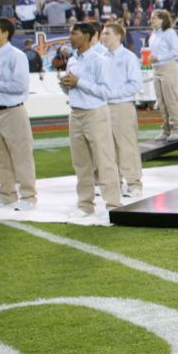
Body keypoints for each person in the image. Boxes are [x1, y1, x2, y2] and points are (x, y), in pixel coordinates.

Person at [60, 22, 121, 218]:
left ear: (87, 36)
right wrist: (66, 85)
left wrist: (79, 82)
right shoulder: (72, 60)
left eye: (74, 33)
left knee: (104, 160)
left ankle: (113, 203)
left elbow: (106, 91)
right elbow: (73, 88)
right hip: (75, 113)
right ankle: (85, 204)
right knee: (81, 163)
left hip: (95, 113)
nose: (70, 37)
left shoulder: (99, 59)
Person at [0, 18, 37, 210]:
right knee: (0, 156)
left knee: (22, 156)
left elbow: (21, 86)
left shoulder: (16, 56)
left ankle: (29, 197)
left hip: (14, 111)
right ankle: (6, 195)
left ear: (5, 33)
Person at [99, 21, 144, 198]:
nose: (103, 36)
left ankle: (134, 183)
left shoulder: (128, 57)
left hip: (122, 106)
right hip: (104, 107)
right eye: (103, 33)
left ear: (118, 36)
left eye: (107, 33)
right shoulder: (101, 57)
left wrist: (113, 94)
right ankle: (114, 182)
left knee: (126, 146)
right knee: (108, 148)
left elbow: (135, 84)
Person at [147, 9, 178, 141]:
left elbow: (175, 52)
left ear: (163, 20)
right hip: (156, 69)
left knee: (170, 100)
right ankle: (166, 129)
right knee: (161, 101)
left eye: (155, 18)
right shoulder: (153, 34)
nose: (152, 20)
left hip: (168, 67)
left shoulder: (170, 33)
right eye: (152, 18)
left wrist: (159, 57)